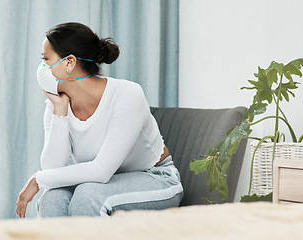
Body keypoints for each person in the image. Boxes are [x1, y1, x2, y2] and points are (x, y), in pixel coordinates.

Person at [16, 22, 183, 218]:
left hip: (156, 178)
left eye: (46, 59)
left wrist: (38, 179)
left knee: (89, 196)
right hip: (98, 182)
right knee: (52, 198)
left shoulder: (127, 94)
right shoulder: (55, 104)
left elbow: (101, 171)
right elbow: (53, 169)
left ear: (69, 62)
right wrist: (59, 111)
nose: (41, 67)